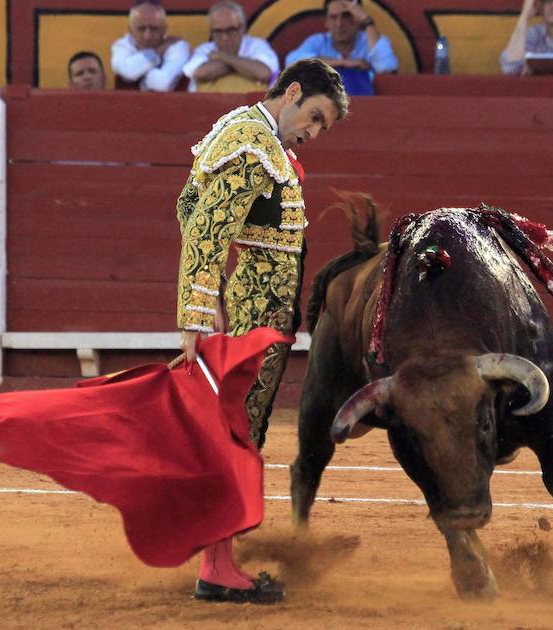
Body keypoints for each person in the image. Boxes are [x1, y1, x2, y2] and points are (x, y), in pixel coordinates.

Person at [176, 58, 349, 602]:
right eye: (315, 116)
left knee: (240, 432)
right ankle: (216, 568)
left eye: (323, 125)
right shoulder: (251, 142)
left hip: (258, 314)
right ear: (292, 92)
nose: (314, 132)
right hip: (251, 318)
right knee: (237, 434)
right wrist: (199, 316)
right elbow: (204, 228)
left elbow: (187, 205)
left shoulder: (256, 139)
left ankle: (218, 558)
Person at [285, 0, 398, 96]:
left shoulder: (370, 40)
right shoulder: (319, 41)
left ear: (358, 19)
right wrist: (343, 63)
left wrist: (368, 23)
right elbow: (291, 62)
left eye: (347, 16)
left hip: (367, 108)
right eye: (333, 17)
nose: (339, 23)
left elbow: (386, 68)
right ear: (326, 22)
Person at [182, 0, 279, 93]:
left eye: (231, 30)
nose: (224, 37)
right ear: (211, 31)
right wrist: (243, 67)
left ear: (242, 27)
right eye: (218, 31)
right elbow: (200, 74)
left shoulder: (257, 45)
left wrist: (222, 57)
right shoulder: (204, 49)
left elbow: (263, 73)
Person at [111, 0, 190, 91]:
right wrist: (157, 52)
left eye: (154, 29)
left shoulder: (177, 46)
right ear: (131, 31)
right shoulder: (122, 46)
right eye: (141, 29)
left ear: (164, 29)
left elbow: (161, 84)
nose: (147, 36)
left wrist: (140, 71)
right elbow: (128, 70)